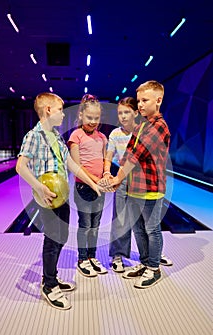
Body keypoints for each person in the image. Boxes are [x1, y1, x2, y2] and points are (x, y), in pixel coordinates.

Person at [16, 92, 103, 310]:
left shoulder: (56, 136)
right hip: (47, 198)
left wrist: (93, 184)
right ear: (48, 111)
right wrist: (39, 187)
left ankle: (49, 277)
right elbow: (20, 166)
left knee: (62, 236)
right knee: (53, 239)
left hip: (61, 197)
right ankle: (49, 286)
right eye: (60, 110)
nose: (64, 115)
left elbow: (72, 165)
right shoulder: (33, 136)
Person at [106, 81, 171, 288]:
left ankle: (154, 268)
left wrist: (117, 178)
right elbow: (127, 154)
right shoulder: (142, 124)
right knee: (139, 229)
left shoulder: (159, 126)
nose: (140, 105)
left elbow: (137, 153)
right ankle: (145, 263)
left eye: (145, 100)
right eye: (140, 100)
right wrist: (120, 179)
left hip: (151, 187)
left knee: (152, 229)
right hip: (134, 187)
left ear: (158, 100)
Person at [68, 94, 108, 277]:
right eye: (89, 117)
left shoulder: (102, 138)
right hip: (84, 188)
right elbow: (77, 168)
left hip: (99, 189)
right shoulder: (76, 136)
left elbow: (106, 161)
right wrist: (95, 181)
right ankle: (82, 259)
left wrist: (107, 176)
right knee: (85, 225)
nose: (93, 121)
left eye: (96, 118)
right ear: (81, 116)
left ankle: (92, 257)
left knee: (95, 225)